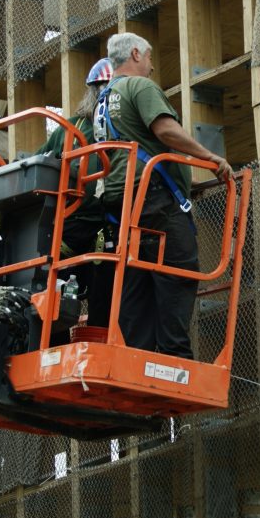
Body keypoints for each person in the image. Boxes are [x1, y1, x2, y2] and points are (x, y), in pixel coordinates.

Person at [99, 32, 233, 359]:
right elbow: (165, 131)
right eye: (148, 57)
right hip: (155, 198)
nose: (152, 66)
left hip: (124, 203)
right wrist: (209, 157)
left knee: (137, 282)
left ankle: (135, 362)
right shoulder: (140, 87)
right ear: (134, 53)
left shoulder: (105, 97)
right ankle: (174, 361)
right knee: (178, 271)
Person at [35, 57, 115, 328]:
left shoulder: (125, 130)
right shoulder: (71, 129)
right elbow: (39, 164)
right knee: (52, 295)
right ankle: (51, 345)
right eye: (102, 89)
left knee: (105, 291)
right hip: (66, 230)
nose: (106, 97)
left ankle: (98, 338)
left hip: (104, 230)